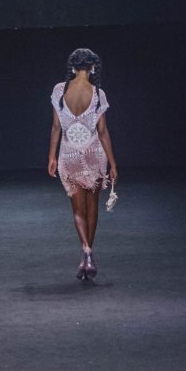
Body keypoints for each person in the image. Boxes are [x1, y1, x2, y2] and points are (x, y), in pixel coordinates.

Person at [48, 48, 117, 281]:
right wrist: (113, 164)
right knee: (92, 207)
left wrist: (51, 157)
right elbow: (103, 131)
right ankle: (88, 254)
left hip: (69, 155)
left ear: (72, 66)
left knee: (78, 209)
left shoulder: (59, 90)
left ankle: (86, 251)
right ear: (93, 67)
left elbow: (56, 127)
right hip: (94, 153)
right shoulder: (98, 93)